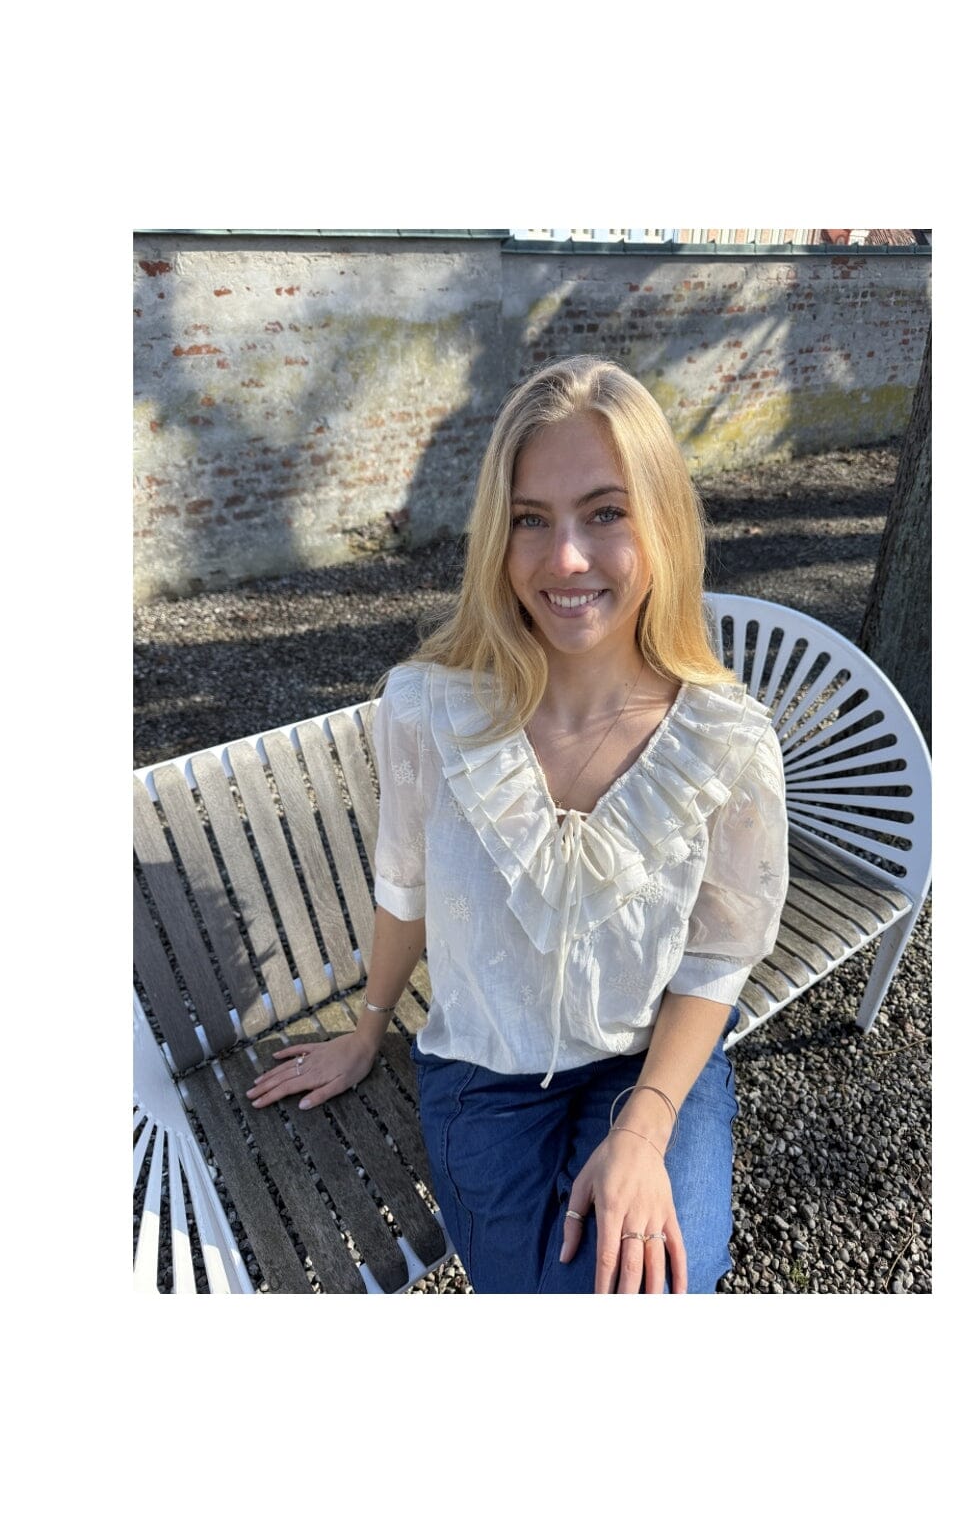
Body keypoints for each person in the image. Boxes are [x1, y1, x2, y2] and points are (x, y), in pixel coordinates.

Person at [248, 355, 788, 1294]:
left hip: (648, 1065)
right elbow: (405, 886)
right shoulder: (429, 713)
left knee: (656, 1288)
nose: (564, 558)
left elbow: (714, 958)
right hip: (482, 1073)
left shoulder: (724, 742)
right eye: (530, 519)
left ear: (661, 522)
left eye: (605, 512)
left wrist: (644, 1129)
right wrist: (368, 1029)